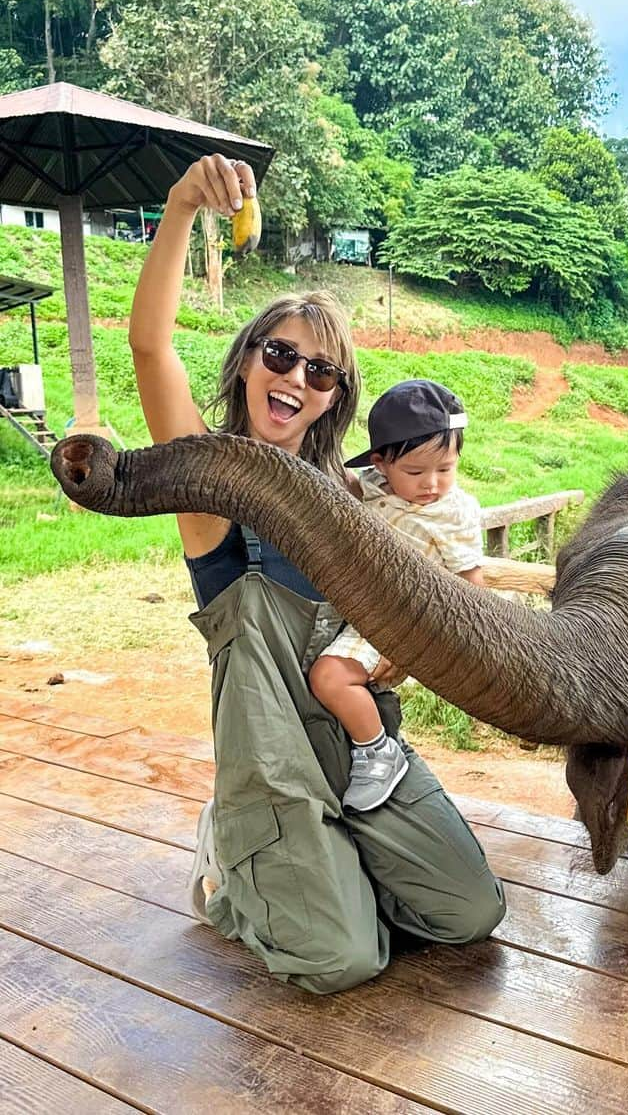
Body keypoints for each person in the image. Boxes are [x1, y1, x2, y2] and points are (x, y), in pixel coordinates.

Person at [128, 153, 504, 993]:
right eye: (281, 354)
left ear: (334, 397)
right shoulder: (210, 483)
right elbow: (151, 348)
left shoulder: (356, 497)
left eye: (320, 371)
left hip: (359, 743)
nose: (296, 376)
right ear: (249, 361)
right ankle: (232, 864)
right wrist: (184, 205)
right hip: (272, 765)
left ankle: (330, 873)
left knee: (469, 913)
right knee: (343, 960)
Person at [309, 379, 484, 812]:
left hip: (402, 618)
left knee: (328, 677)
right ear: (381, 464)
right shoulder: (373, 485)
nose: (432, 484)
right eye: (415, 472)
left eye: (446, 469)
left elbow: (470, 581)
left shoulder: (453, 511)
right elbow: (344, 483)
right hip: (360, 608)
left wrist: (439, 641)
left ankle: (376, 751)